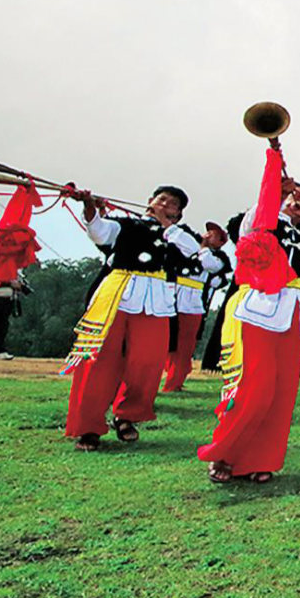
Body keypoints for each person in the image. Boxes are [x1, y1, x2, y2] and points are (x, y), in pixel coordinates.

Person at [198, 166, 300, 484]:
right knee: (254, 387)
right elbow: (251, 221)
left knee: (281, 392)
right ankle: (226, 453)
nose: (297, 201)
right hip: (259, 309)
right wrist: (277, 193)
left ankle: (260, 460)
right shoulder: (261, 224)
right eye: (294, 194)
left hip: (293, 313)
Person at [64, 188, 198, 450]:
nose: (164, 204)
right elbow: (99, 232)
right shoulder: (125, 223)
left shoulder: (180, 235)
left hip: (157, 299)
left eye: (171, 204)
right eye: (160, 199)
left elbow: (193, 251)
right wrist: (90, 207)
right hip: (118, 292)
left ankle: (127, 415)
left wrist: (165, 225)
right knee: (98, 358)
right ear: (149, 202)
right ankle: (88, 427)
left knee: (147, 361)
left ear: (177, 214)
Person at [162, 222, 229, 392]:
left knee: (185, 344)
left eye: (213, 234)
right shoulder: (187, 243)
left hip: (192, 301)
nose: (208, 234)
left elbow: (208, 263)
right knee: (165, 340)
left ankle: (174, 383)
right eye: (208, 231)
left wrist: (202, 247)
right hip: (170, 293)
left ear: (220, 242)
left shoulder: (219, 259)